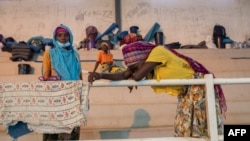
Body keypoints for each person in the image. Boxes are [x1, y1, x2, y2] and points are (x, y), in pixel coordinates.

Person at [88, 41, 227, 137]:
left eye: (136, 66)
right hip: (186, 91)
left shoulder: (158, 52)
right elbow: (125, 74)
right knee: (184, 128)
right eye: (133, 67)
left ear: (143, 58)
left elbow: (137, 76)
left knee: (202, 128)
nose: (135, 69)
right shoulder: (143, 63)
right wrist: (100, 75)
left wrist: (133, 77)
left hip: (199, 87)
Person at [42, 24, 82, 140]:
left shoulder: (75, 54)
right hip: (55, 97)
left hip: (73, 96)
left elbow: (80, 76)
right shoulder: (49, 54)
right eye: (60, 35)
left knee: (71, 131)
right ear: (55, 37)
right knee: (54, 130)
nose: (63, 38)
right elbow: (46, 76)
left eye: (66, 35)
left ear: (70, 37)